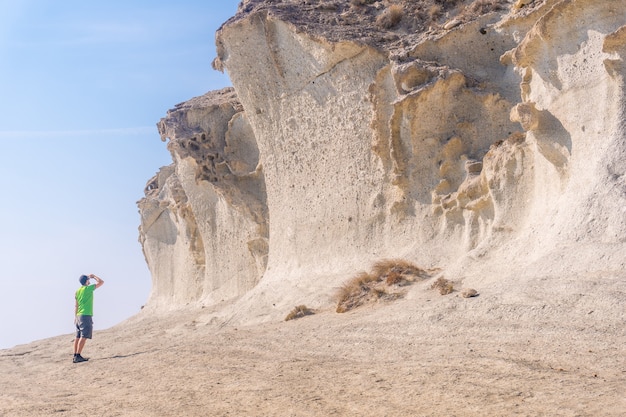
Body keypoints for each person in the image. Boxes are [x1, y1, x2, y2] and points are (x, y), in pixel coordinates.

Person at [73, 273, 104, 363]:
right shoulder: (88, 289)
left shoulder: (77, 291)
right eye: (88, 279)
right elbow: (101, 282)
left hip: (78, 315)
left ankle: (75, 355)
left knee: (77, 337)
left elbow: (76, 305)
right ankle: (78, 356)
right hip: (85, 315)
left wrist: (75, 317)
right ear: (86, 281)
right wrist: (93, 276)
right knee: (84, 336)